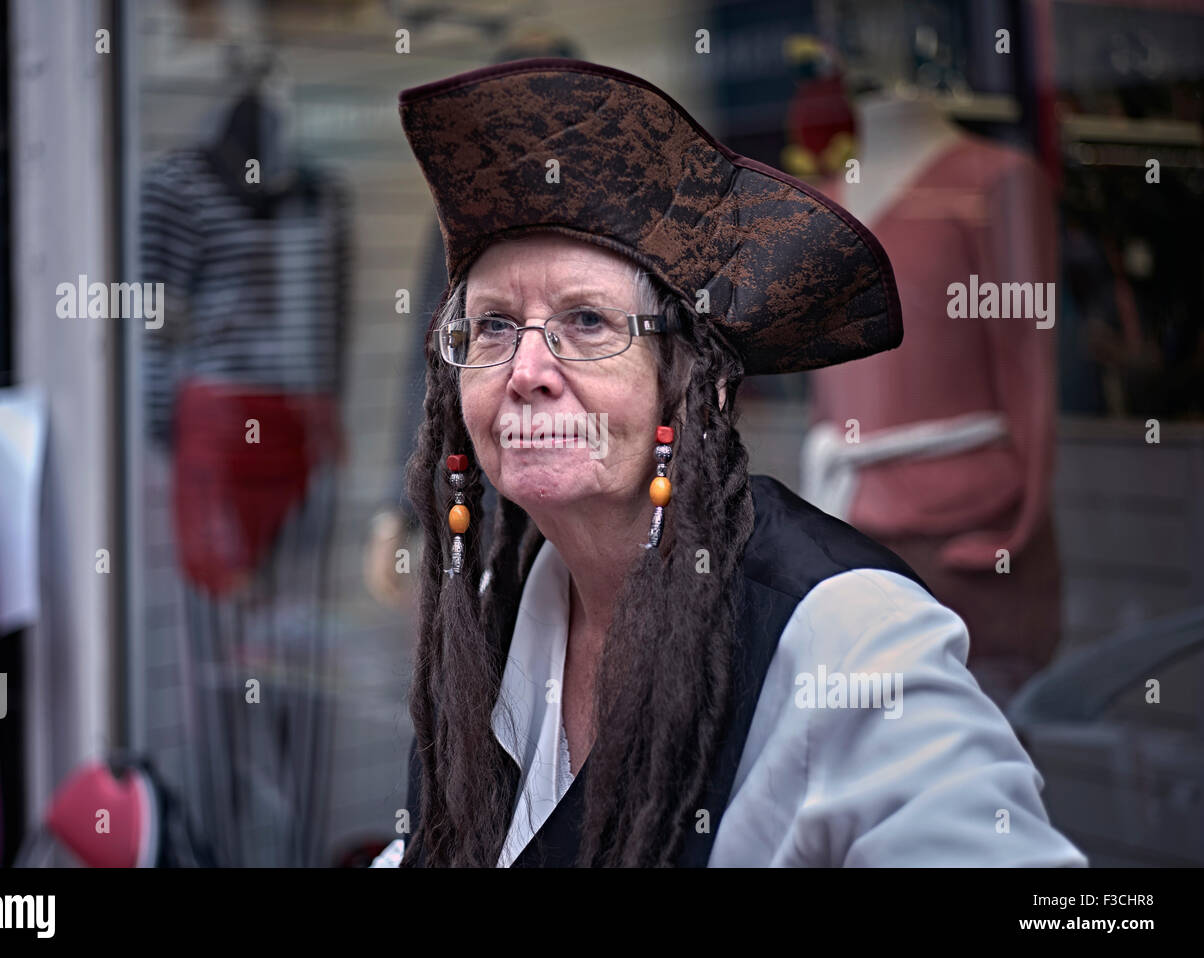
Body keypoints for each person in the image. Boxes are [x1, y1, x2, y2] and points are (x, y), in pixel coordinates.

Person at [372, 58, 1087, 867]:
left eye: (588, 322)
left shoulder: (842, 635)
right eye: (494, 327)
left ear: (696, 387)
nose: (526, 369)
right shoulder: (497, 610)